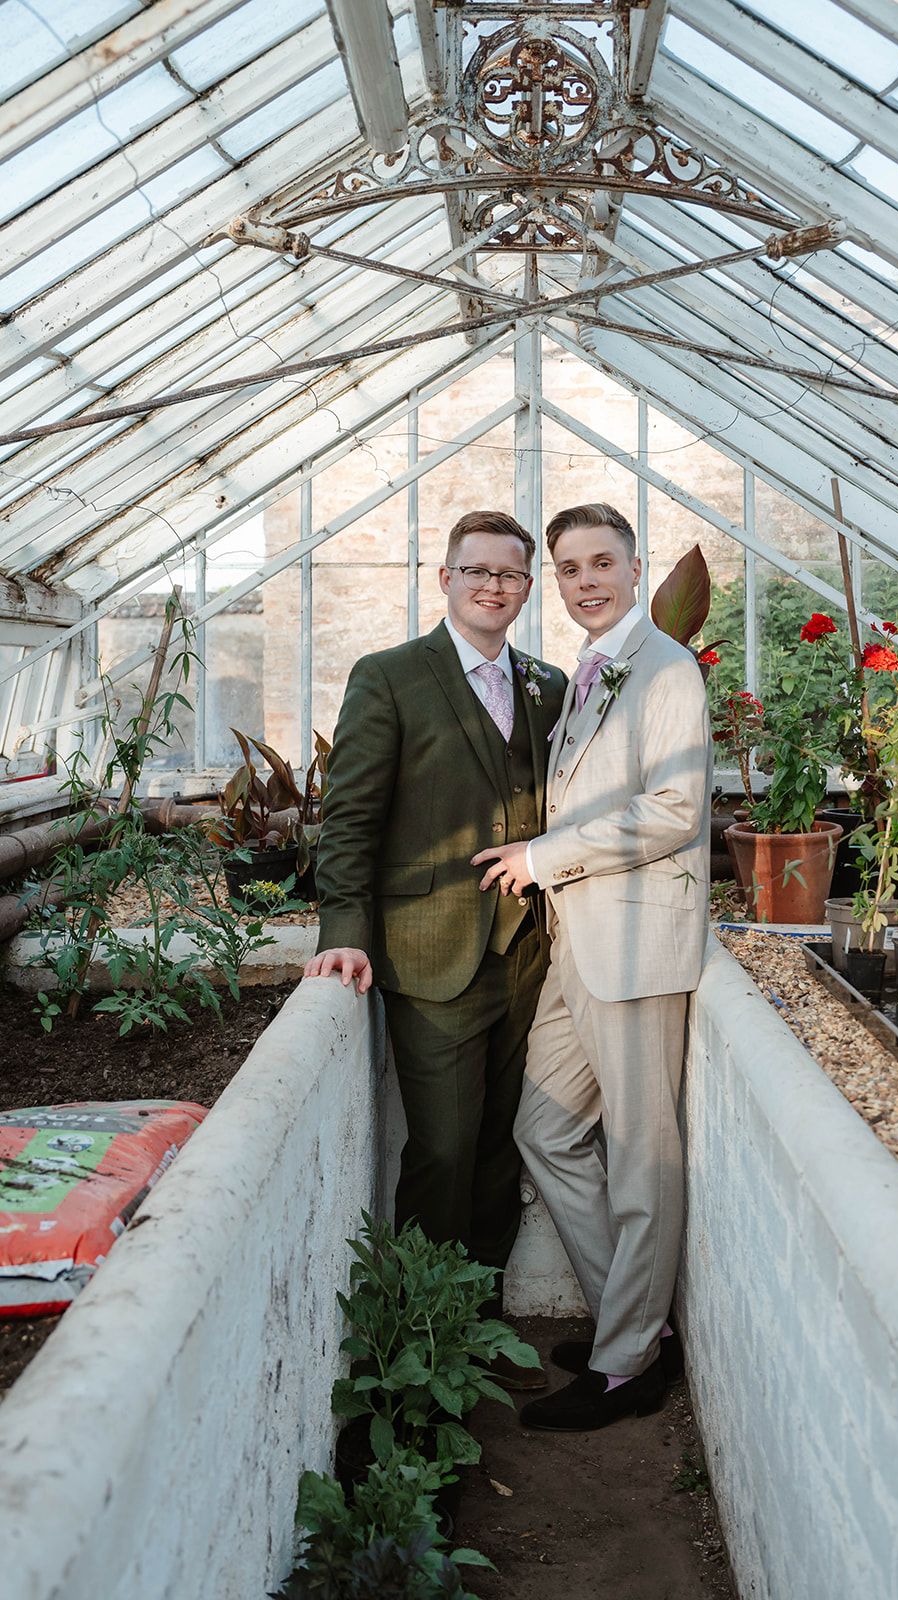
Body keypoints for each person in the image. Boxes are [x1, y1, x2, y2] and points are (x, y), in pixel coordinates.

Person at [304, 509, 566, 1385]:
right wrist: (343, 933)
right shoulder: (389, 677)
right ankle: (419, 1338)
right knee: (444, 1149)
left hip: (528, 950)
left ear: (527, 588)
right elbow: (349, 819)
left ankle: (479, 1329)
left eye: (510, 575)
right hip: (430, 949)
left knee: (499, 1146)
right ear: (444, 578)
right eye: (476, 571)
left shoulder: (548, 683)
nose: (493, 586)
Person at [472, 502, 712, 1430]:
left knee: (643, 1153)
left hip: (637, 945)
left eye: (601, 563)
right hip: (582, 943)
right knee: (546, 1127)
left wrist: (540, 858)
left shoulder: (665, 667)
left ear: (633, 563)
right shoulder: (591, 670)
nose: (585, 582)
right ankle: (636, 1329)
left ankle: (623, 1368)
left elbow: (672, 811)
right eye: (568, 569)